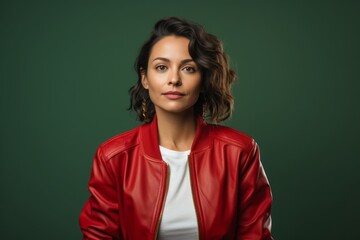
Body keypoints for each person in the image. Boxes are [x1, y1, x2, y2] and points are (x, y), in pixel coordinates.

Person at [79, 17, 273, 239]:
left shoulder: (239, 151)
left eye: (188, 68)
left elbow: (255, 235)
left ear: (203, 80)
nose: (174, 79)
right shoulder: (114, 157)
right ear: (145, 78)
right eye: (161, 67)